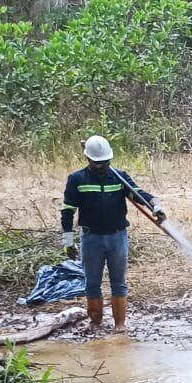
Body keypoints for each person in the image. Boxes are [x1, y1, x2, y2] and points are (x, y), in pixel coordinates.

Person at [61, 135, 164, 332]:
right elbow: (67, 212)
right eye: (98, 163)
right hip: (91, 239)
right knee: (92, 283)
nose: (102, 166)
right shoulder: (77, 180)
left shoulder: (119, 177)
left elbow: (139, 194)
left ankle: (119, 324)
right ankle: (95, 322)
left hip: (117, 237)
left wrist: (156, 205)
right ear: (88, 159)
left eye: (106, 162)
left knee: (119, 283)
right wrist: (68, 241)